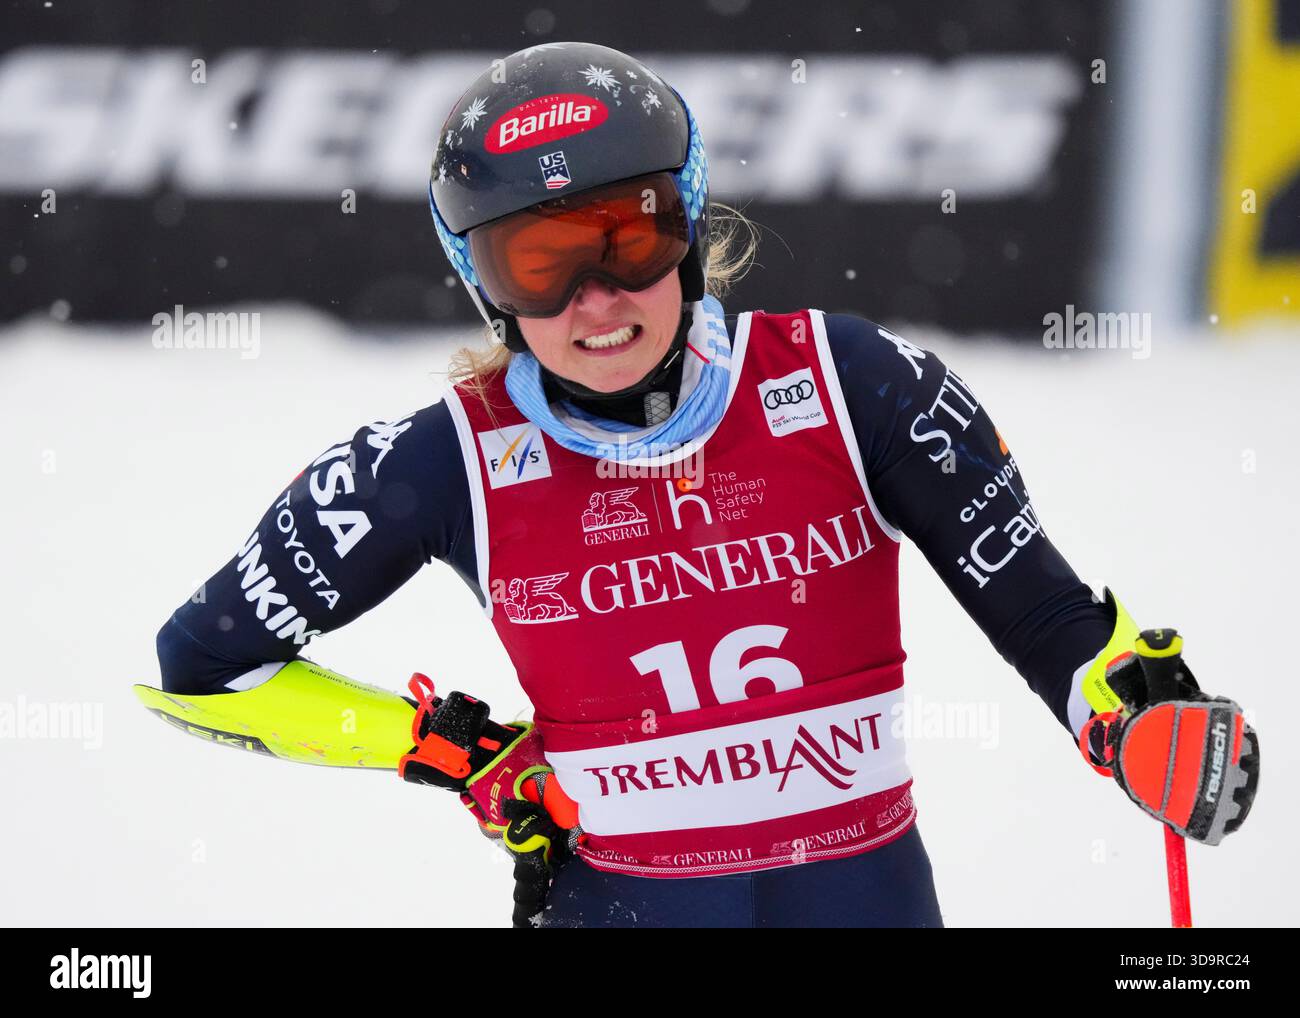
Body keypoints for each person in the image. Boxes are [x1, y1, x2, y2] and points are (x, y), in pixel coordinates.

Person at [155, 42, 1259, 928]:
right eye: (539, 265)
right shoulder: (440, 462)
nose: (597, 300)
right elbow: (201, 670)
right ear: (479, 285)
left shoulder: (849, 382)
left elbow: (1048, 616)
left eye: (628, 237)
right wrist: (451, 750)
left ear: (686, 226)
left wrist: (1139, 717)